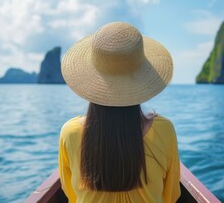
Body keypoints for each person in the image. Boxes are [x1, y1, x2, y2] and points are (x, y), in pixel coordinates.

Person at [59, 22, 180, 203]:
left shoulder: (70, 132)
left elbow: (71, 194)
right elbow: (171, 196)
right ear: (141, 79)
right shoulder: (164, 130)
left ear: (92, 80)